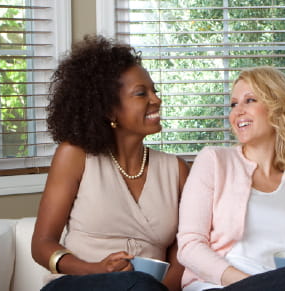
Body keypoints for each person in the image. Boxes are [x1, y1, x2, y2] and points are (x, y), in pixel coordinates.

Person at [31, 35, 189, 291]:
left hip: (147, 289)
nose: (156, 100)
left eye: (154, 91)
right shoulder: (75, 156)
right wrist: (94, 269)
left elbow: (184, 252)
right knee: (136, 282)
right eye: (141, 93)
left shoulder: (176, 170)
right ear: (109, 109)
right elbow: (42, 245)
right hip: (78, 284)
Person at [176, 67, 285, 291]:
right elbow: (190, 246)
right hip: (218, 286)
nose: (237, 111)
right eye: (233, 104)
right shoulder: (214, 161)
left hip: (284, 284)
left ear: (279, 107)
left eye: (249, 100)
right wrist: (254, 285)